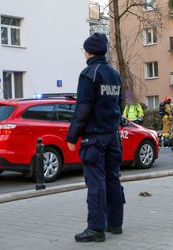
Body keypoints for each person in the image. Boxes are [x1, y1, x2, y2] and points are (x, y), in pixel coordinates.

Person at [66, 33, 125, 243]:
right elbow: (120, 104)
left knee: (96, 183)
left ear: (88, 51)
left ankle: (96, 229)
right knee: (112, 179)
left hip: (95, 138)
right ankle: (115, 224)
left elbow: (83, 108)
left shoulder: (89, 74)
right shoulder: (113, 74)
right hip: (112, 136)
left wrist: (72, 136)